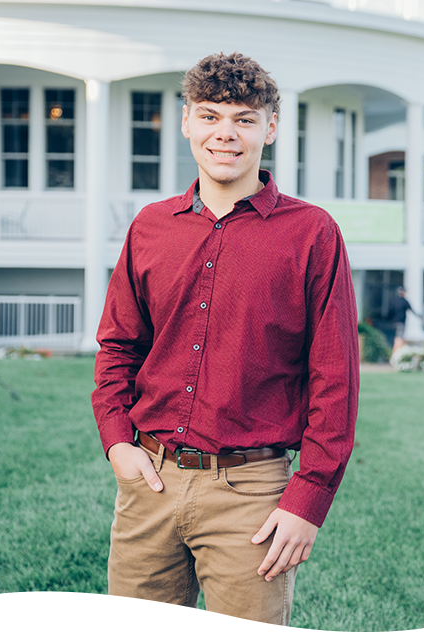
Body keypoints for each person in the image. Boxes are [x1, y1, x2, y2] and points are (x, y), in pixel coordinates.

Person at [92, 52, 359, 632]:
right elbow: (118, 346)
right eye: (210, 116)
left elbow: (334, 377)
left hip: (253, 494)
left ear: (270, 127)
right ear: (187, 121)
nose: (225, 134)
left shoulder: (312, 234)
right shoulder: (150, 226)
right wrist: (118, 443)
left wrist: (307, 499)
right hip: (150, 481)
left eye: (243, 118)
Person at [389, 286, 421, 353]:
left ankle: (398, 353)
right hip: (400, 322)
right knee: (399, 338)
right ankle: (395, 353)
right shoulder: (404, 302)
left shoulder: (394, 301)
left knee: (397, 338)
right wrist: (420, 317)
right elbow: (412, 311)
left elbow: (390, 312)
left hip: (394, 322)